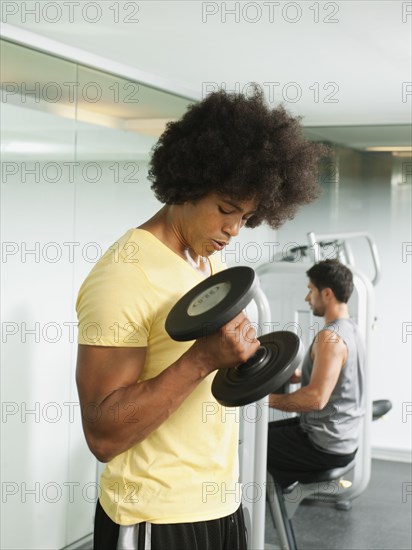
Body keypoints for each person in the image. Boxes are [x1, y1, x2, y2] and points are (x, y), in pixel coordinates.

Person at [75, 87, 326, 550]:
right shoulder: (123, 275)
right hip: (154, 516)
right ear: (187, 183)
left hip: (217, 502)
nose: (233, 229)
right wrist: (202, 359)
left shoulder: (203, 261)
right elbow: (103, 433)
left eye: (247, 217)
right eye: (226, 209)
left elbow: (203, 378)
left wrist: (241, 357)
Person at [267, 259, 365, 485]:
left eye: (310, 290)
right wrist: (302, 376)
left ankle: (260, 505)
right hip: (342, 440)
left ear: (327, 294)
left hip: (323, 444)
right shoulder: (353, 330)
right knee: (263, 433)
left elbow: (315, 399)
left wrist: (264, 400)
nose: (307, 298)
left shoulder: (330, 338)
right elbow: (339, 377)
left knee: (248, 442)